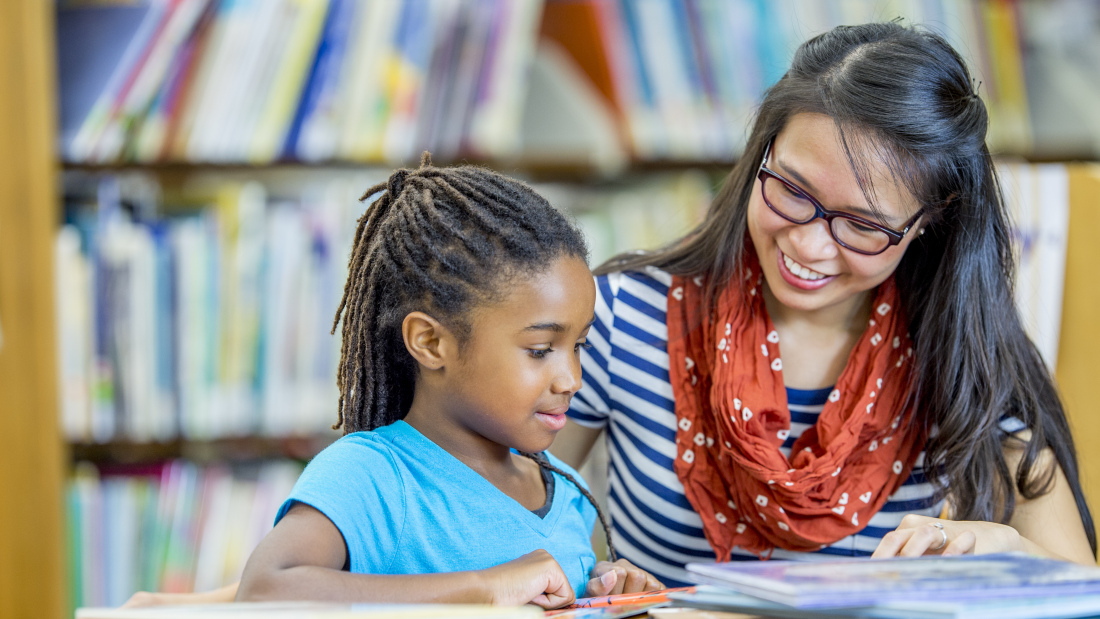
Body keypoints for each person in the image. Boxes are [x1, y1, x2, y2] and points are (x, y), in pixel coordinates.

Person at [549, 21, 1097, 588]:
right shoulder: (620, 318)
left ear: (931, 222)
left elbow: (1083, 588)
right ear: (764, 150)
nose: (807, 245)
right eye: (791, 189)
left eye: (863, 225)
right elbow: (502, 530)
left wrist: (1008, 549)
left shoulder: (962, 355)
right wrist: (588, 578)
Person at [124, 155, 660, 608]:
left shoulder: (564, 488)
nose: (571, 378)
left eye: (579, 346)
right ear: (430, 343)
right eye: (540, 350)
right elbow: (266, 593)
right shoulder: (374, 475)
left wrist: (605, 593)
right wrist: (481, 590)